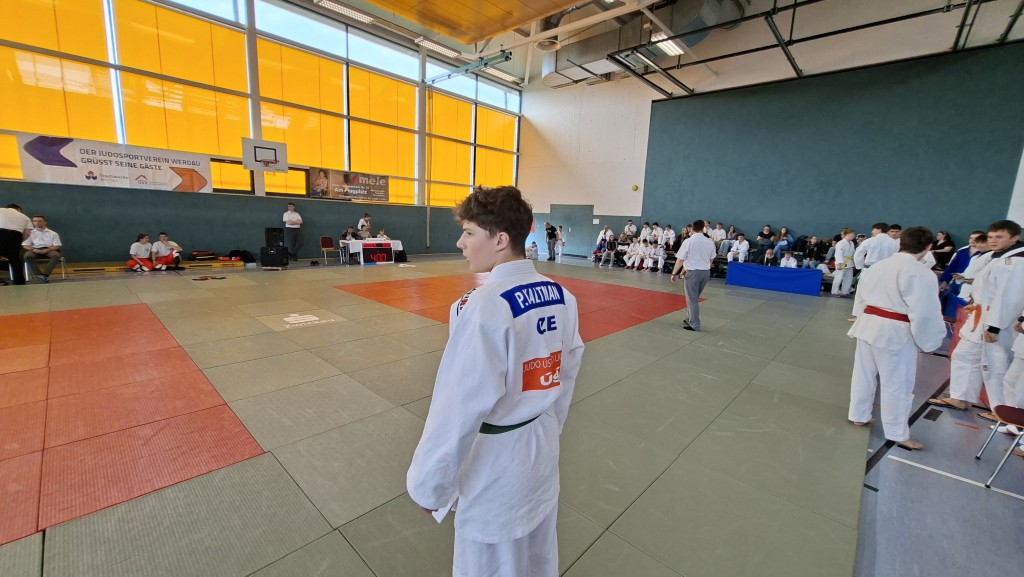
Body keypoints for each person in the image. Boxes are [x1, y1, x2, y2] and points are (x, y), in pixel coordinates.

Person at [407, 185, 584, 577]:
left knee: (489, 564)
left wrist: (430, 485)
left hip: (495, 465)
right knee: (537, 554)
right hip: (541, 446)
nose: (461, 243)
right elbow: (565, 374)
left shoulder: (485, 306)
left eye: (469, 233)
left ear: (500, 240)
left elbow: (459, 405)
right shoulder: (563, 296)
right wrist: (548, 427)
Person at [848, 227, 946, 450]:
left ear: (901, 242)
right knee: (897, 383)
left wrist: (860, 317)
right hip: (895, 331)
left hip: (867, 325)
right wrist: (931, 340)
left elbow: (860, 298)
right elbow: (924, 312)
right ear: (929, 247)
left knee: (863, 374)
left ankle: (859, 415)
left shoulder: (878, 266)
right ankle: (897, 432)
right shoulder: (921, 273)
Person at [928, 220, 1024, 421]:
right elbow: (988, 287)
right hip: (983, 316)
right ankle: (960, 397)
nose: (994, 241)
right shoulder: (994, 256)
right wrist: (977, 302)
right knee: (965, 355)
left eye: (1000, 237)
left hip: (1000, 321)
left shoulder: (1017, 261)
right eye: (991, 237)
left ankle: (1003, 410)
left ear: (1015, 238)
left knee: (997, 365)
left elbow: (1011, 297)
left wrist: (995, 326)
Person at [671, 220, 716, 332]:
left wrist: (674, 273)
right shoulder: (709, 242)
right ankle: (689, 318)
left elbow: (680, 259)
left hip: (693, 272)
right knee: (694, 298)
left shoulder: (688, 241)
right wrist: (705, 266)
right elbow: (711, 259)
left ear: (692, 228)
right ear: (703, 228)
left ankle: (695, 324)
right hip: (705, 272)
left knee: (692, 299)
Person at [22, 214, 62, 283]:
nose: (37, 223)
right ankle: (38, 275)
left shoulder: (53, 233)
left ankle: (45, 274)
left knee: (56, 255)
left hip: (48, 249)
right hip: (34, 249)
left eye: (40, 221)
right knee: (27, 256)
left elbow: (57, 246)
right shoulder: (30, 233)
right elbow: (25, 245)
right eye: (35, 221)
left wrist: (47, 250)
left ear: (45, 222)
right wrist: (33, 249)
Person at [0, 204, 32, 285]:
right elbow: (27, 233)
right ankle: (19, 281)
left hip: (1, 232)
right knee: (15, 260)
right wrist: (19, 241)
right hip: (16, 236)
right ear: (18, 209)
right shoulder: (25, 217)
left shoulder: (1, 210)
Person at [831, 229, 856, 297]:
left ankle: (845, 291)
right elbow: (838, 254)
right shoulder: (840, 243)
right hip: (842, 262)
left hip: (850, 262)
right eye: (852, 234)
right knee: (839, 277)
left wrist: (854, 262)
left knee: (849, 278)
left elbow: (853, 253)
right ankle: (834, 291)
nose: (853, 236)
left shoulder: (852, 243)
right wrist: (839, 263)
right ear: (847, 234)